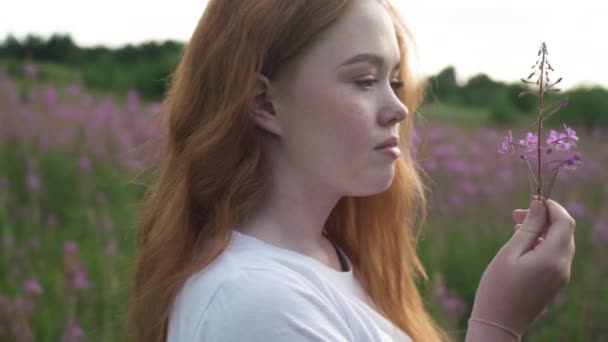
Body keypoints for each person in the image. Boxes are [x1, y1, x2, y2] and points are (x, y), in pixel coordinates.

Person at [126, 0, 577, 341]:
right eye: (364, 80)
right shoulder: (255, 303)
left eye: (395, 80)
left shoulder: (328, 260)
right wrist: (496, 324)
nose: (399, 108)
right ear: (264, 102)